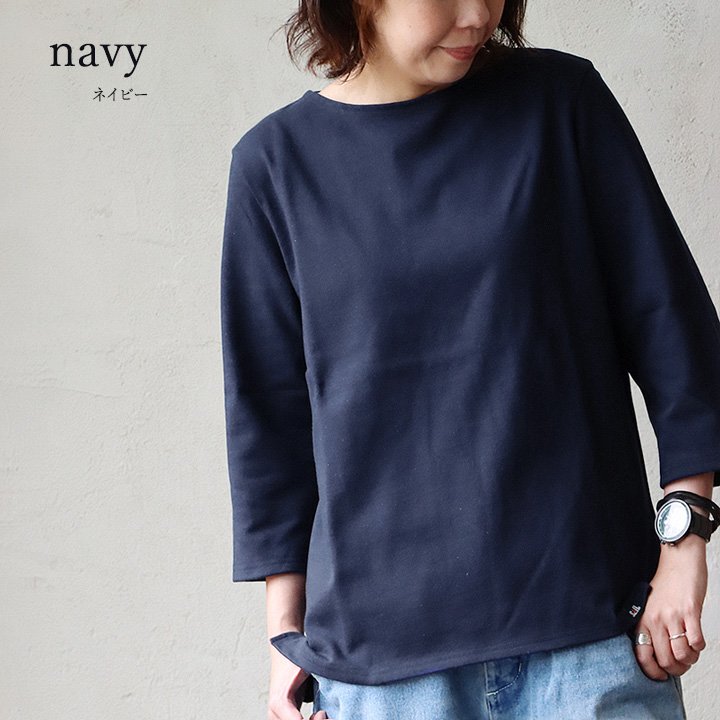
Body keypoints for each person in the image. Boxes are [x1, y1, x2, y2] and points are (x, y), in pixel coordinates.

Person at [219, 1, 720, 718]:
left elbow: (670, 325)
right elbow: (268, 422)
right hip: (385, 671)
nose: (479, 13)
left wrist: (686, 540)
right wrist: (283, 637)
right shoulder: (274, 166)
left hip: (589, 637)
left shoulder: (560, 104)